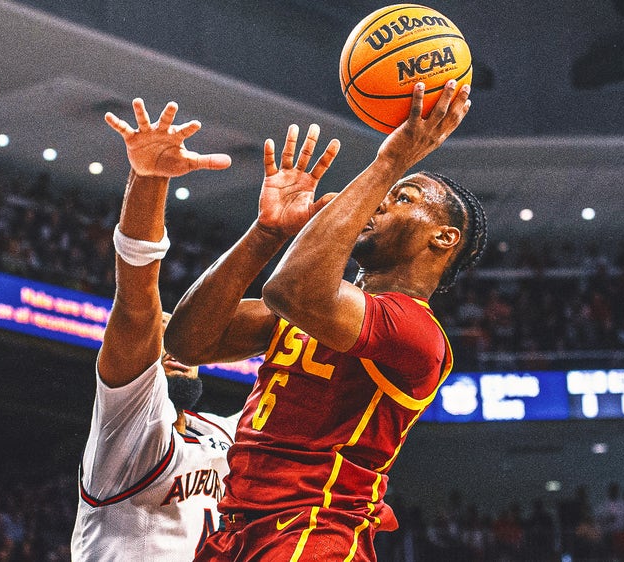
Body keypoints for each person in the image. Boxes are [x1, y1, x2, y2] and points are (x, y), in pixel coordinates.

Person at [165, 80, 484, 561]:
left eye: (403, 197)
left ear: (443, 238)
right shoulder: (320, 306)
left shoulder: (417, 333)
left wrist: (390, 162)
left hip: (314, 532)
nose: (379, 201)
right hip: (235, 532)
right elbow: (188, 341)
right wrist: (266, 233)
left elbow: (292, 290)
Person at [70, 98, 241, 561]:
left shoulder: (224, 433)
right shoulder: (125, 427)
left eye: (178, 336)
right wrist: (149, 177)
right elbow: (136, 304)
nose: (174, 346)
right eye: (160, 338)